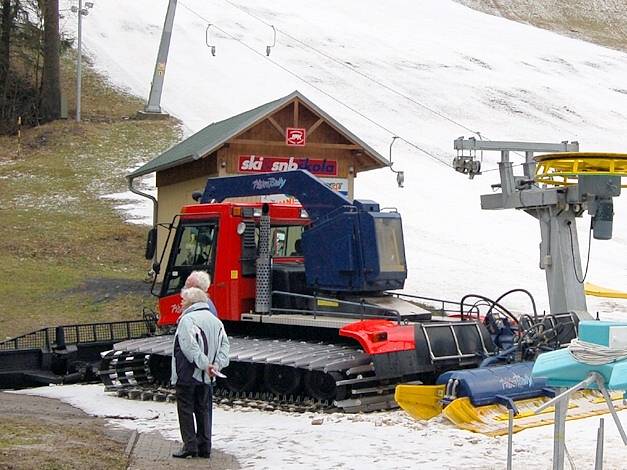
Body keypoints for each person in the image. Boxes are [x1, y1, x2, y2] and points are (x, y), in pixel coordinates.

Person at [171, 279, 229, 459]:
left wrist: (205, 365)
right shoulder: (216, 321)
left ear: (190, 302)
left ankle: (190, 446)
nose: (181, 304)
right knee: (203, 409)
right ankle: (205, 446)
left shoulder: (187, 320)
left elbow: (190, 348)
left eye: (183, 301)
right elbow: (224, 347)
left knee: (186, 408)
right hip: (208, 377)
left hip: (188, 373)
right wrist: (216, 366)